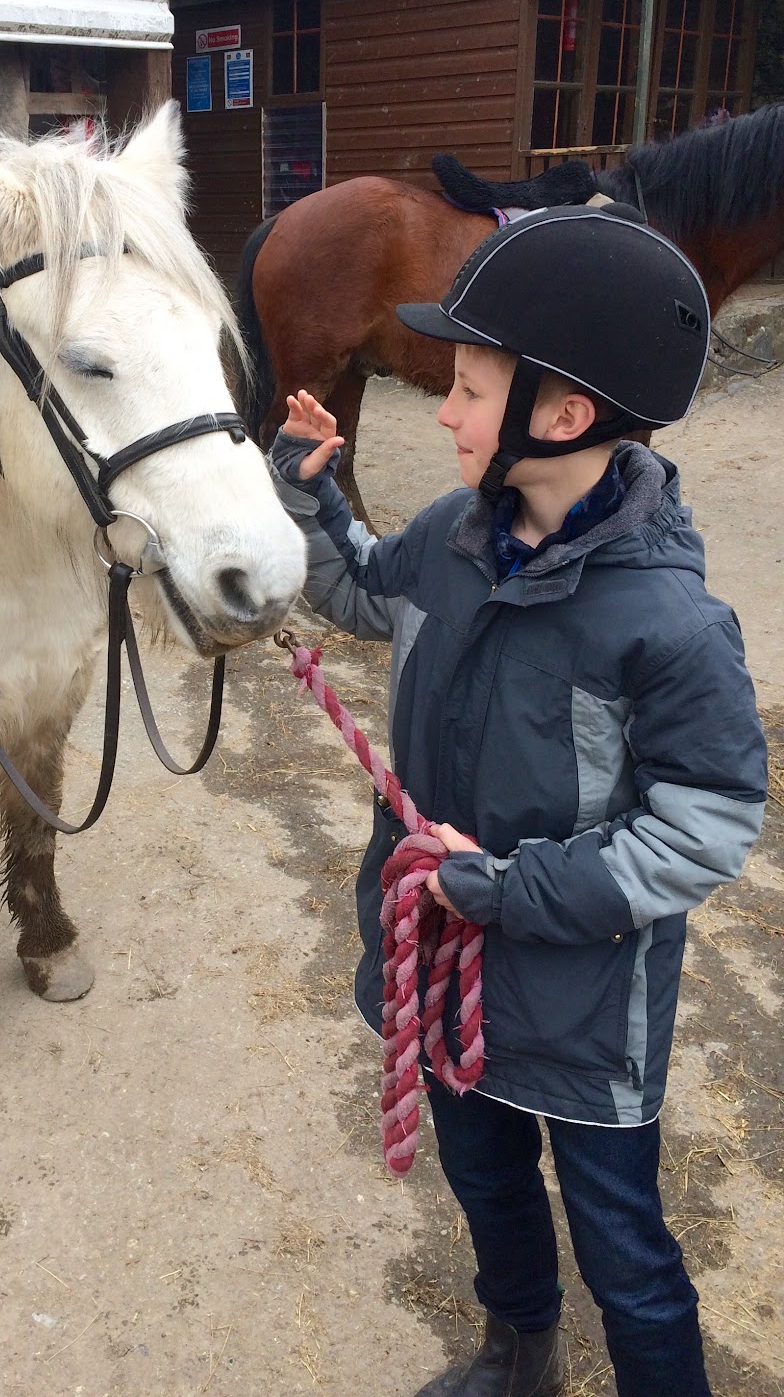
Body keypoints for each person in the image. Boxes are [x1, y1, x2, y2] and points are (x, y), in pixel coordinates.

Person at [267, 206, 767, 1397]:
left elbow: (704, 826)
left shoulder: (671, 626)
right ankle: (518, 1345)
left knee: (625, 1248)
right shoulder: (453, 532)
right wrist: (307, 496)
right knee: (485, 1177)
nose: (443, 411)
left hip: (583, 1008)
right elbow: (361, 589)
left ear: (563, 415)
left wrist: (505, 886)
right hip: (449, 974)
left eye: (470, 388)